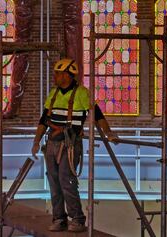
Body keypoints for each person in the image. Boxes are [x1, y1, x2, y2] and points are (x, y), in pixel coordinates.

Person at [31, 58, 117, 232]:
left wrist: (108, 133)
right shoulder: (54, 93)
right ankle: (59, 218)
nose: (56, 76)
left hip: (70, 144)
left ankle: (77, 218)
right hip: (52, 143)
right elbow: (43, 120)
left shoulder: (81, 93)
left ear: (68, 75)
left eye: (59, 73)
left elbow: (97, 115)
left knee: (66, 180)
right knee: (53, 181)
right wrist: (36, 141)